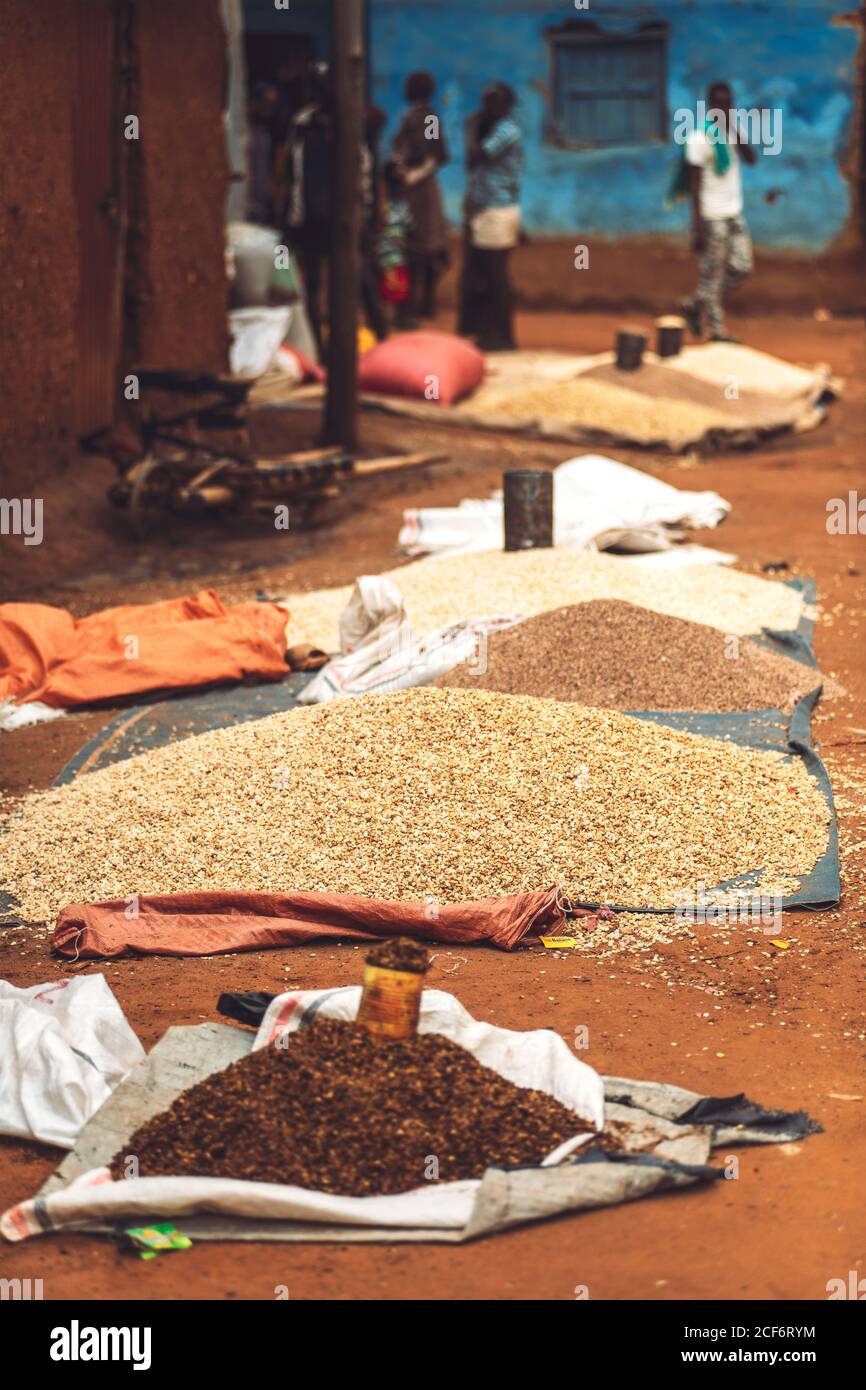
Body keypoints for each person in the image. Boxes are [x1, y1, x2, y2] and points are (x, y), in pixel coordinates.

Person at [679, 81, 757, 343]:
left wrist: (734, 130)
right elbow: (694, 184)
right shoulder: (699, 137)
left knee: (742, 268)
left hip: (734, 213)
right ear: (711, 105)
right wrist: (697, 227)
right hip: (711, 217)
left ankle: (695, 302)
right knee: (712, 275)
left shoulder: (734, 131)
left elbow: (751, 158)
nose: (724, 108)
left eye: (728, 103)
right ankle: (716, 331)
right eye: (719, 104)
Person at [459, 82, 523, 351]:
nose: (486, 108)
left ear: (505, 105)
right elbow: (472, 163)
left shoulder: (507, 130)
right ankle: (488, 332)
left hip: (497, 211)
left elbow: (479, 154)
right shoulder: (494, 130)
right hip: (484, 211)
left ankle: (505, 336)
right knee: (483, 275)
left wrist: (471, 130)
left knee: (497, 276)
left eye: (492, 102)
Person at [280, 64, 334, 352]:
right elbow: (292, 170)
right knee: (312, 284)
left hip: (337, 218)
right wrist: (288, 212)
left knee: (343, 283)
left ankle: (336, 347)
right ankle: (318, 346)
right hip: (310, 217)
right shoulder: (302, 123)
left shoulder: (347, 122)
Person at [392, 71, 450, 325]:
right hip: (416, 187)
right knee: (421, 245)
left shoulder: (427, 119)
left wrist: (412, 176)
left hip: (420, 190)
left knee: (419, 245)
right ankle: (422, 304)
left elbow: (436, 155)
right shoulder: (414, 117)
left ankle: (421, 304)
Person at [376, 160, 413, 327]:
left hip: (391, 255)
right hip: (390, 255)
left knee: (392, 292)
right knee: (390, 292)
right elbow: (410, 225)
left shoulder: (385, 204)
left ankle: (388, 323)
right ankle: (386, 324)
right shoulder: (392, 205)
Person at [246, 83, 279, 225]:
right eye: (266, 104)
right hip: (245, 202)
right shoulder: (243, 133)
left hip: (261, 205)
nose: (269, 109)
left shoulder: (263, 133)